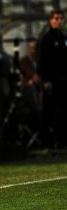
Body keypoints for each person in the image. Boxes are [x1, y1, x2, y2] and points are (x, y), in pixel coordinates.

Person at [37, 9, 67, 148]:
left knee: (62, 111)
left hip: (63, 81)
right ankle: (46, 142)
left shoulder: (64, 38)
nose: (58, 21)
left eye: (60, 18)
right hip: (51, 81)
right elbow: (42, 62)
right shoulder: (46, 39)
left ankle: (61, 140)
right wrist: (46, 80)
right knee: (49, 112)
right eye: (55, 18)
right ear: (50, 20)